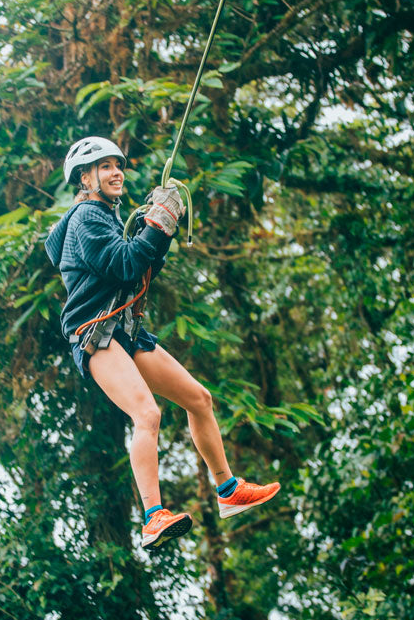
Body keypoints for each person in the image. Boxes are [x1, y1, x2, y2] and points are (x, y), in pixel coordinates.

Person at [44, 136, 280, 549]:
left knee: (199, 399)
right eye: (104, 167)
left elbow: (140, 265)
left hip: (124, 330)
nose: (116, 171)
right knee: (147, 413)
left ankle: (227, 491)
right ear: (85, 178)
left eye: (118, 164)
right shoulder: (86, 217)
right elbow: (125, 264)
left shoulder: (104, 217)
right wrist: (156, 226)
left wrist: (159, 225)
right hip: (94, 334)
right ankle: (153, 517)